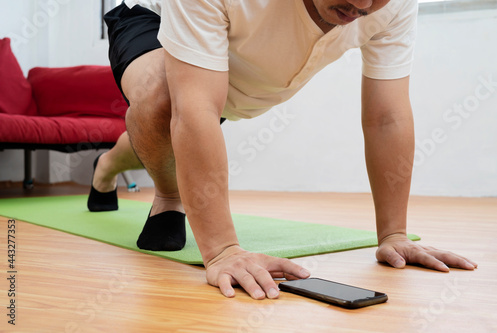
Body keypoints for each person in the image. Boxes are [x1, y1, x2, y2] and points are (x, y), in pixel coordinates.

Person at [88, 0, 477, 300]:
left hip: (235, 78)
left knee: (166, 132)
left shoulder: (392, 6)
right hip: (151, 22)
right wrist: (223, 250)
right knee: (163, 101)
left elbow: (387, 117)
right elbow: (195, 111)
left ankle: (106, 164)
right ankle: (169, 196)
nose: (361, 5)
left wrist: (394, 234)